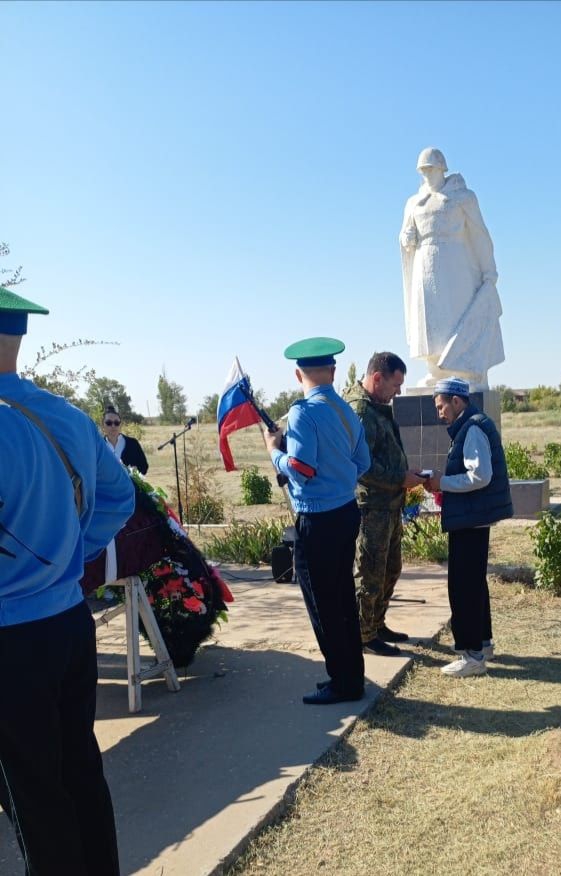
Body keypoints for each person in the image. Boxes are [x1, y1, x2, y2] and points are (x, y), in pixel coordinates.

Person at [0, 284, 135, 875]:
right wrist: (68, 554)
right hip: (68, 622)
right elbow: (120, 496)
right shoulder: (67, 416)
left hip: (9, 639)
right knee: (79, 770)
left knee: (34, 796)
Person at [264, 337, 371, 705]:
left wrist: (274, 454)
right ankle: (352, 675)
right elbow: (364, 464)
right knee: (342, 598)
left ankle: (342, 681)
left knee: (323, 603)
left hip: (317, 519)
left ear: (298, 374)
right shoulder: (345, 410)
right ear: (333, 371)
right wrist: (338, 478)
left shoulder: (301, 413)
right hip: (345, 512)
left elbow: (302, 469)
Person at [425, 377, 513, 677]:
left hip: (470, 520)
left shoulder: (472, 427)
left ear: (457, 401)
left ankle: (471, 655)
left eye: (441, 406)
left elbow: (481, 476)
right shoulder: (472, 424)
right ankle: (483, 644)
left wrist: (442, 482)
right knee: (474, 584)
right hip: (473, 517)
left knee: (462, 587)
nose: (440, 413)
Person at [399, 147, 504, 390]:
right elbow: (405, 235)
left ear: (442, 168)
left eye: (431, 169)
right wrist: (406, 238)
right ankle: (435, 370)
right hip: (424, 265)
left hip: (456, 263)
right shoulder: (414, 203)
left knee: (455, 316)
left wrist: (489, 269)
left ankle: (463, 369)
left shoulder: (463, 197)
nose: (427, 174)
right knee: (429, 320)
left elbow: (479, 233)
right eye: (423, 170)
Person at [344, 352, 425, 656]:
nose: (399, 391)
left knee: (391, 569)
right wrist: (399, 478)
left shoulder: (377, 406)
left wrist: (403, 478)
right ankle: (364, 635)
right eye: (396, 384)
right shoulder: (361, 411)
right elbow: (362, 466)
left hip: (389, 503)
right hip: (372, 506)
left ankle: (376, 624)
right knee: (371, 573)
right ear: (378, 378)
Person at [103, 405, 149, 474]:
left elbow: (144, 466)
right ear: (103, 425)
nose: (113, 426)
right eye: (109, 423)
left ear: (120, 424)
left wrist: (135, 473)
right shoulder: (98, 446)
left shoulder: (133, 443)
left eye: (116, 423)